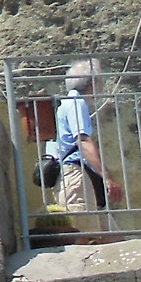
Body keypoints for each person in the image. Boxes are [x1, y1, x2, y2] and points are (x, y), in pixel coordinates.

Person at [54, 58, 118, 231]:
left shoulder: (66, 104)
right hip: (76, 176)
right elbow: (83, 141)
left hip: (80, 176)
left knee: (112, 237)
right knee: (87, 234)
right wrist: (108, 177)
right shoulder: (76, 103)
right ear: (93, 82)